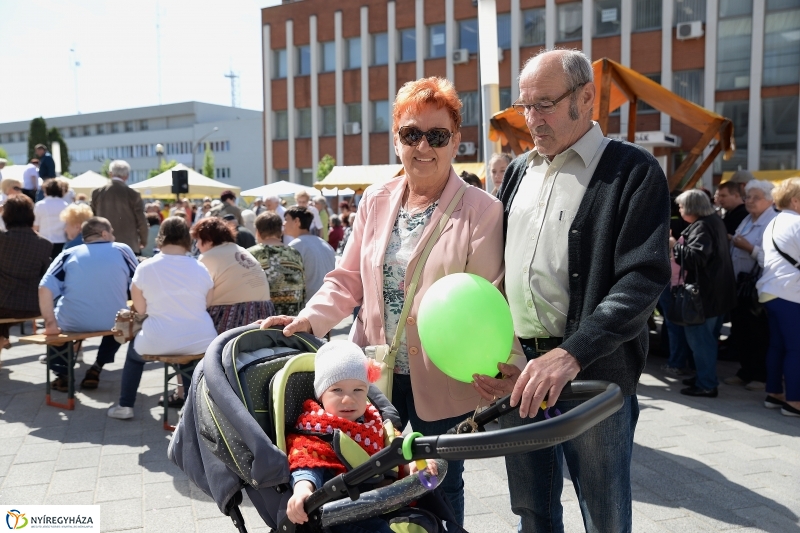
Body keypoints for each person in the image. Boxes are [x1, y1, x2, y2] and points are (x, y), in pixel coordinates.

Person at [262, 76, 525, 525]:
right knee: (370, 477)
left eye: (437, 135)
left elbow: (489, 295)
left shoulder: (481, 209)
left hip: (444, 377)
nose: (424, 146)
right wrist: (309, 320)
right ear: (396, 140)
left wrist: (509, 362)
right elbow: (346, 280)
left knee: (439, 482)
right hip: (373, 373)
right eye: (411, 134)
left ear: (456, 141)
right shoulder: (376, 199)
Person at [479, 50, 671, 533]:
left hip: (592, 375)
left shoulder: (633, 171)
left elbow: (644, 277)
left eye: (544, 104)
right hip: (520, 371)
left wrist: (572, 354)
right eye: (525, 106)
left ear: (585, 97)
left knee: (604, 516)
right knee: (532, 510)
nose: (531, 120)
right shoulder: (519, 171)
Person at [286, 340, 438, 532]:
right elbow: (305, 464)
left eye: (358, 390)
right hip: (345, 513)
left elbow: (394, 449)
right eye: (337, 390)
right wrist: (302, 490)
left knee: (432, 516)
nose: (348, 399)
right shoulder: (315, 430)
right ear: (321, 394)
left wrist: (413, 464)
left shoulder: (372, 421)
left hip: (381, 503)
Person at [107, 218, 218, 419]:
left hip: (157, 338)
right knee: (188, 358)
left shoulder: (145, 267)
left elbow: (140, 309)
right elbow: (207, 303)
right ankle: (190, 410)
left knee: (133, 357)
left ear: (160, 238)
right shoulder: (200, 268)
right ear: (187, 239)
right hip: (200, 338)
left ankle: (125, 406)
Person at [38, 217, 138, 391]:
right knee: (124, 319)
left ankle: (62, 375)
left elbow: (44, 287)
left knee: (57, 323)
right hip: (111, 321)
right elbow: (139, 281)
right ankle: (97, 367)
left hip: (73, 322)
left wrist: (50, 324)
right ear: (105, 233)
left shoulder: (68, 253)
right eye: (112, 232)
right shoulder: (122, 250)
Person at [673, 189, 736, 398]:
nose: (679, 210)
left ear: (691, 207)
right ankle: (704, 376)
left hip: (705, 297)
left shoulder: (702, 225)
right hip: (717, 294)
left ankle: (707, 383)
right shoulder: (713, 220)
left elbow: (696, 258)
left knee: (701, 342)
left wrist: (674, 246)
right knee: (706, 339)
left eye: (681, 206)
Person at [723, 180, 777, 390]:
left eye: (756, 197)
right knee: (742, 330)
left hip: (757, 287)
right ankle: (745, 371)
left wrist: (749, 248)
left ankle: (760, 376)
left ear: (770, 200)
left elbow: (771, 258)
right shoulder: (747, 218)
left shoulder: (773, 222)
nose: (749, 201)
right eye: (748, 197)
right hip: (739, 286)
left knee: (759, 333)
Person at [757, 177, 800, 417]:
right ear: (795, 200)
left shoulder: (774, 221)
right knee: (796, 349)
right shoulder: (797, 223)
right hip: (790, 293)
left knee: (778, 346)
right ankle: (794, 401)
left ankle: (775, 393)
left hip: (772, 291)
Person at [191, 217, 274, 333]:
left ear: (208, 240)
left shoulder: (208, 257)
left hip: (233, 314)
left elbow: (196, 295)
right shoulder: (241, 250)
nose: (197, 246)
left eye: (198, 240)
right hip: (265, 312)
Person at [0, 195, 53, 369]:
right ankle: (2, 339)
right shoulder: (44, 244)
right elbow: (46, 277)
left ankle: (2, 339)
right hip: (31, 306)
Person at [248, 211, 305, 316]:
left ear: (258, 232)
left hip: (263, 318)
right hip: (293, 317)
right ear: (281, 232)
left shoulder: (250, 254)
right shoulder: (295, 253)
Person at [91, 160, 148, 254]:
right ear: (127, 176)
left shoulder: (97, 193)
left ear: (110, 174)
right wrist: (143, 240)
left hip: (103, 243)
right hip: (128, 245)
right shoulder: (133, 194)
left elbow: (92, 218)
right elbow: (141, 221)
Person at [283, 206, 335, 305]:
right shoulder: (324, 243)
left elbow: (288, 281)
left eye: (286, 220)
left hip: (309, 305)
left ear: (297, 221)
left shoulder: (295, 246)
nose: (283, 223)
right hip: (329, 303)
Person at [33, 179, 69, 257]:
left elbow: (35, 226)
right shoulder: (65, 205)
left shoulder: (40, 205)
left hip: (44, 240)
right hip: (61, 240)